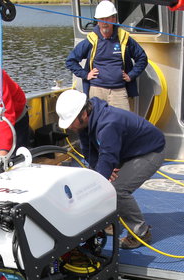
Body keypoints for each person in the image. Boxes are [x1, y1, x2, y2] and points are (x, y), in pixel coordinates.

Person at [56, 89, 165, 249]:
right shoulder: (84, 123)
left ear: (84, 114)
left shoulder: (108, 123)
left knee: (116, 189)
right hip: (126, 150)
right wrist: (100, 171)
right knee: (100, 180)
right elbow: (89, 151)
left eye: (71, 121)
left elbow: (107, 157)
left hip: (150, 151)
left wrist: (103, 174)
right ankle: (107, 220)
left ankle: (140, 233)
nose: (70, 126)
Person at [65, 0, 148, 113]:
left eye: (108, 18)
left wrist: (131, 75)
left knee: (124, 125)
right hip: (96, 91)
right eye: (101, 19)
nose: (104, 22)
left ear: (114, 19)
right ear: (97, 21)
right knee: (97, 125)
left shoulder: (124, 38)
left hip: (119, 91)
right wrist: (85, 75)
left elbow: (142, 58)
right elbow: (70, 61)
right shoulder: (91, 40)